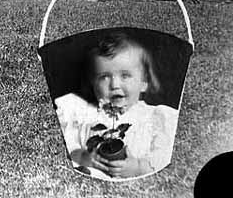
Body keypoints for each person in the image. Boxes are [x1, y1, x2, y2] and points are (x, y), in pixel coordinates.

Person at [54, 32, 179, 180]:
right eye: (104, 77)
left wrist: (138, 168)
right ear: (93, 84)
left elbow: (164, 156)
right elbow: (70, 146)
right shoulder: (83, 114)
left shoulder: (154, 117)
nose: (115, 85)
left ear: (144, 82)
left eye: (125, 75)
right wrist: (84, 158)